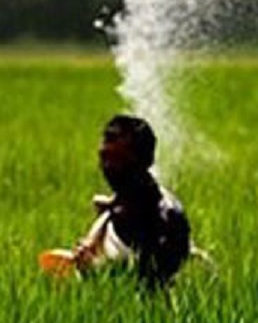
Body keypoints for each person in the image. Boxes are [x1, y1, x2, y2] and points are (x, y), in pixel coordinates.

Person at [42, 115, 191, 289]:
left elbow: (152, 289)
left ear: (145, 161)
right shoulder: (125, 199)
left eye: (119, 161)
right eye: (104, 158)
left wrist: (93, 271)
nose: (107, 168)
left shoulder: (161, 221)